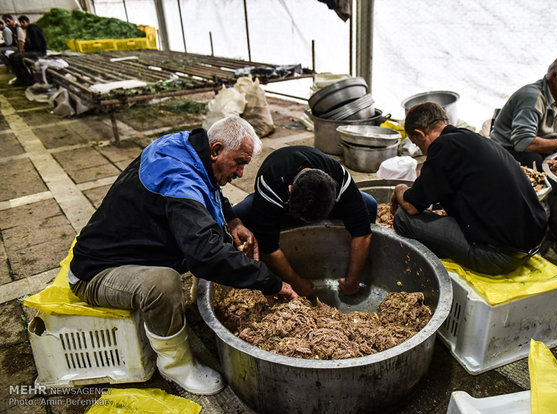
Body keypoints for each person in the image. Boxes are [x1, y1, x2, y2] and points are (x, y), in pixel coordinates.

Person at [68, 116, 298, 395]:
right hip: (97, 271)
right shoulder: (179, 178)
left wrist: (233, 220)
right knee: (163, 283)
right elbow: (205, 255)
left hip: (133, 249)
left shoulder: (186, 148)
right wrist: (270, 282)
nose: (240, 173)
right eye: (239, 162)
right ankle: (176, 365)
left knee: (209, 233)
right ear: (215, 150)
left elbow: (207, 188)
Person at [391, 102, 547, 275]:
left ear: (419, 134)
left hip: (498, 256)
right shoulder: (471, 140)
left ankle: (418, 272)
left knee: (403, 218)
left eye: (417, 144)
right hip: (529, 245)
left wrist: (400, 188)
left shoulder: (443, 147)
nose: (422, 152)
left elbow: (412, 206)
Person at [233, 145, 377, 297]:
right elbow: (268, 247)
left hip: (320, 202)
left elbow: (362, 233)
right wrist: (296, 282)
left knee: (369, 204)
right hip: (281, 207)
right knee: (239, 214)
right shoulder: (272, 182)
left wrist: (352, 281)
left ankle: (365, 270)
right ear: (290, 190)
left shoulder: (339, 178)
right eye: (304, 220)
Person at [490, 55, 557, 169]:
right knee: (534, 162)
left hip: (539, 149)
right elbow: (524, 143)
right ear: (554, 76)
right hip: (506, 150)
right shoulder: (532, 97)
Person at [11, 15, 47, 86]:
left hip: (39, 52)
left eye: (23, 22)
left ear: (27, 22)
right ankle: (22, 77)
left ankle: (25, 79)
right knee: (13, 56)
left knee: (17, 57)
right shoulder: (29, 29)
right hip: (35, 50)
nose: (21, 24)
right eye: (20, 22)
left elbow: (36, 44)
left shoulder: (33, 29)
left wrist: (26, 50)